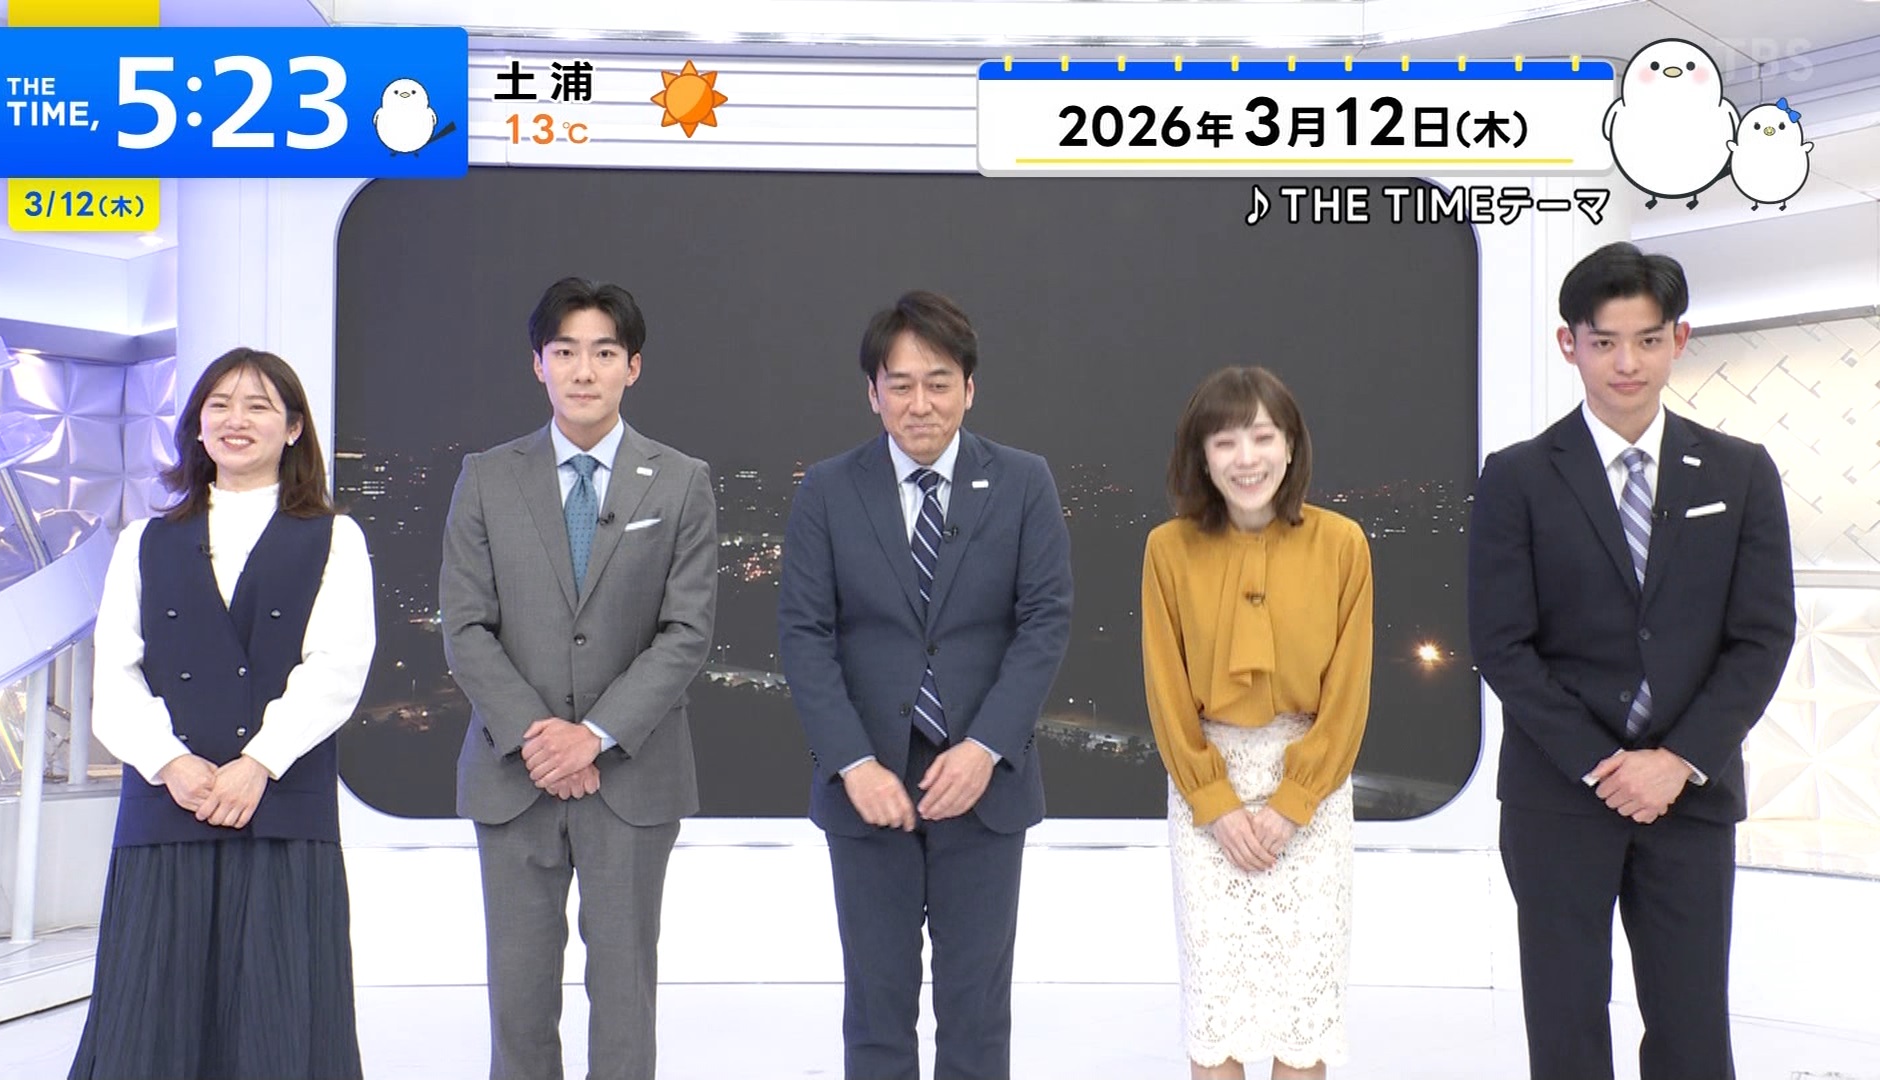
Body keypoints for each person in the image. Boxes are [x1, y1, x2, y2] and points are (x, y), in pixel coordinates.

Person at [1468, 241, 1796, 1080]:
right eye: (1605, 342)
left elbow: (1762, 636)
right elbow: (1501, 644)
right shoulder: (1517, 477)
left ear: (1679, 340)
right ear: (1568, 344)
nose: (1627, 363)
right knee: (1566, 1025)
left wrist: (1676, 761)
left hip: (1691, 797)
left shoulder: (1741, 472)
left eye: (1648, 340)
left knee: (1693, 1029)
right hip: (1558, 796)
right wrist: (1604, 764)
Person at [778, 290, 1072, 1080]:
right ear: (872, 394)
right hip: (868, 785)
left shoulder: (1023, 482)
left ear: (969, 388)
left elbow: (1044, 624)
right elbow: (804, 636)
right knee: (877, 1009)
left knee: (977, 1012)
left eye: (938, 383)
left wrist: (984, 748)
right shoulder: (828, 490)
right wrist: (853, 763)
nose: (920, 403)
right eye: (900, 384)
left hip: (985, 785)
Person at [71, 347, 376, 1079]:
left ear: (294, 428)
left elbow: (338, 666)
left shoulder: (334, 536)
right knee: (150, 1015)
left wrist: (259, 762)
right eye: (219, 405)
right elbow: (114, 676)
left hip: (281, 803)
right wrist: (170, 763)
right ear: (197, 426)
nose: (236, 420)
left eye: (259, 405)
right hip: (166, 803)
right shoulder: (142, 541)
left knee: (277, 1013)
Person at [440, 277, 716, 1080]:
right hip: (514, 774)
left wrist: (592, 736)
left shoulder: (681, 480)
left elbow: (687, 632)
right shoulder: (486, 477)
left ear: (634, 366)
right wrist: (541, 738)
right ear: (538, 364)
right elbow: (465, 626)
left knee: (625, 996)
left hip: (632, 776)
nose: (583, 371)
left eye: (603, 352)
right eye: (565, 352)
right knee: (518, 999)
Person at [1141, 366, 1372, 1080]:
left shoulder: (1343, 543)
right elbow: (1166, 694)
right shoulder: (1166, 549)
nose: (1247, 459)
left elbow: (1348, 693)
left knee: (1304, 1011)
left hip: (1312, 797)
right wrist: (1214, 803)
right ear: (1202, 457)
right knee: (1217, 1010)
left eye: (1264, 437)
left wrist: (1294, 801)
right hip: (1206, 794)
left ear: (1292, 445)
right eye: (1225, 441)